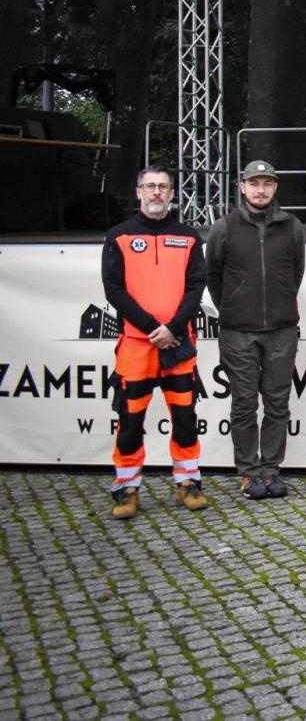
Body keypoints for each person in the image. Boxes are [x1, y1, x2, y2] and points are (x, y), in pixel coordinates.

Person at [102, 164, 208, 518]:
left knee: (185, 416)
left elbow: (197, 287)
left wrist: (173, 327)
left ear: (173, 193)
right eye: (150, 186)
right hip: (136, 344)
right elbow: (114, 290)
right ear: (138, 192)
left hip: (178, 344)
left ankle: (188, 481)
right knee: (130, 420)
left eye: (163, 187)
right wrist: (151, 326)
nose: (157, 193)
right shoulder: (118, 235)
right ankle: (127, 487)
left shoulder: (190, 236)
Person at [205, 159, 306, 501]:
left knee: (278, 404)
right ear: (242, 187)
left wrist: (277, 305)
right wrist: (232, 307)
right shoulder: (224, 227)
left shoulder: (291, 226)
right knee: (244, 404)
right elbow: (214, 276)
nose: (260, 189)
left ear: (275, 187)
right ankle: (248, 473)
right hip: (238, 332)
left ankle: (272, 470)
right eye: (254, 183)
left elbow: (296, 275)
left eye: (267, 183)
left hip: (281, 329)